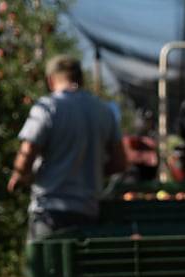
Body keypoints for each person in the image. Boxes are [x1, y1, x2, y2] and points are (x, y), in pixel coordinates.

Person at [7, 54, 127, 242]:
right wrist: (90, 170)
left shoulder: (48, 108)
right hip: (88, 212)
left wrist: (20, 175)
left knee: (47, 259)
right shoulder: (104, 111)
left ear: (50, 80)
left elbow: (26, 154)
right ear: (81, 78)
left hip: (50, 212)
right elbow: (120, 162)